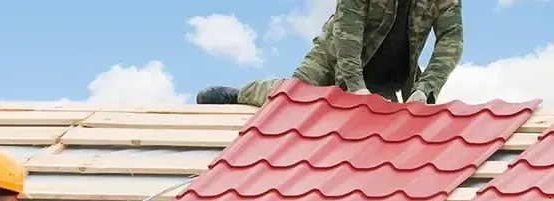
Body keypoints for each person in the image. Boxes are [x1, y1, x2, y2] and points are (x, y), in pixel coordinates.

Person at [197, 0, 463, 106]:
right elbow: (348, 31)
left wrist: (425, 88)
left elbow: (450, 40)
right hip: (333, 55)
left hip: (388, 77)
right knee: (293, 99)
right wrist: (356, 87)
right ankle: (241, 94)